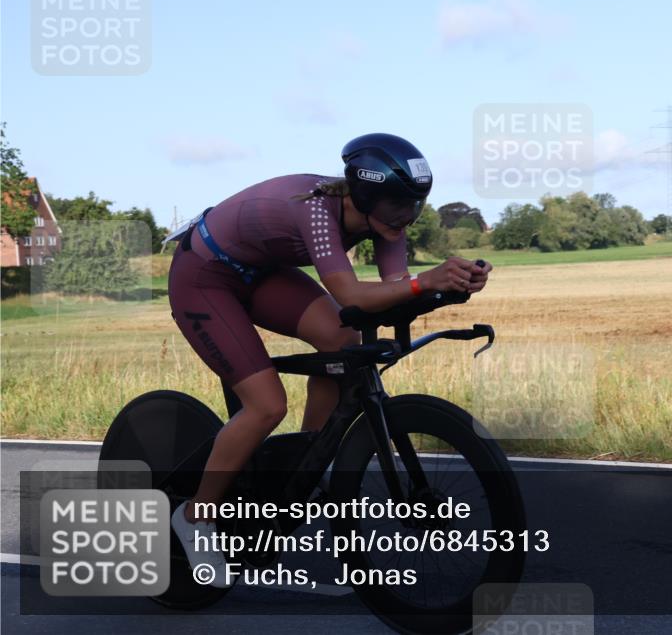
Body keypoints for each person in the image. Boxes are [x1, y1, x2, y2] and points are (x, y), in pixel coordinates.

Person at [165, 133, 491, 585]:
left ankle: (301, 466)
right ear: (364, 194)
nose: (406, 217)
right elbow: (351, 292)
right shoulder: (316, 207)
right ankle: (195, 517)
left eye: (414, 205)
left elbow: (392, 292)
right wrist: (424, 282)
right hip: (204, 275)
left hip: (259, 273)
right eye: (398, 206)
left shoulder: (387, 222)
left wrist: (447, 287)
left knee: (345, 343)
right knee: (266, 405)